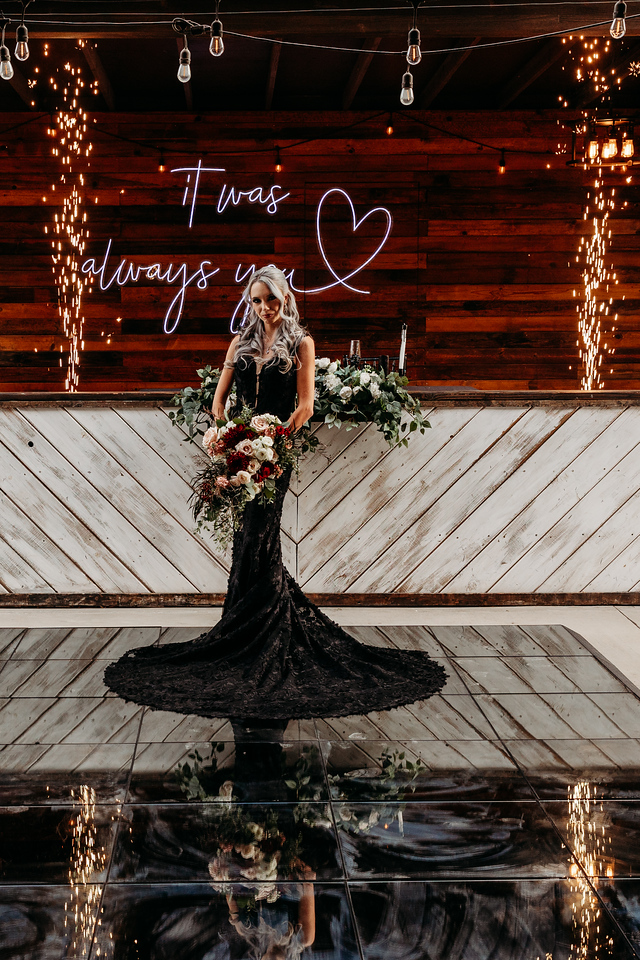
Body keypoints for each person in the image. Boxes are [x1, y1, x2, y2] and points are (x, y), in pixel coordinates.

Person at [104, 266, 446, 719]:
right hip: (242, 446)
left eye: (271, 299)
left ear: (284, 297)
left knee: (261, 527)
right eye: (256, 300)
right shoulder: (239, 343)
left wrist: (276, 441)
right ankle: (245, 622)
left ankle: (262, 623)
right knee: (247, 531)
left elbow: (306, 405)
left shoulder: (301, 342)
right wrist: (229, 435)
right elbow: (218, 402)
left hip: (276, 450)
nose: (264, 308)